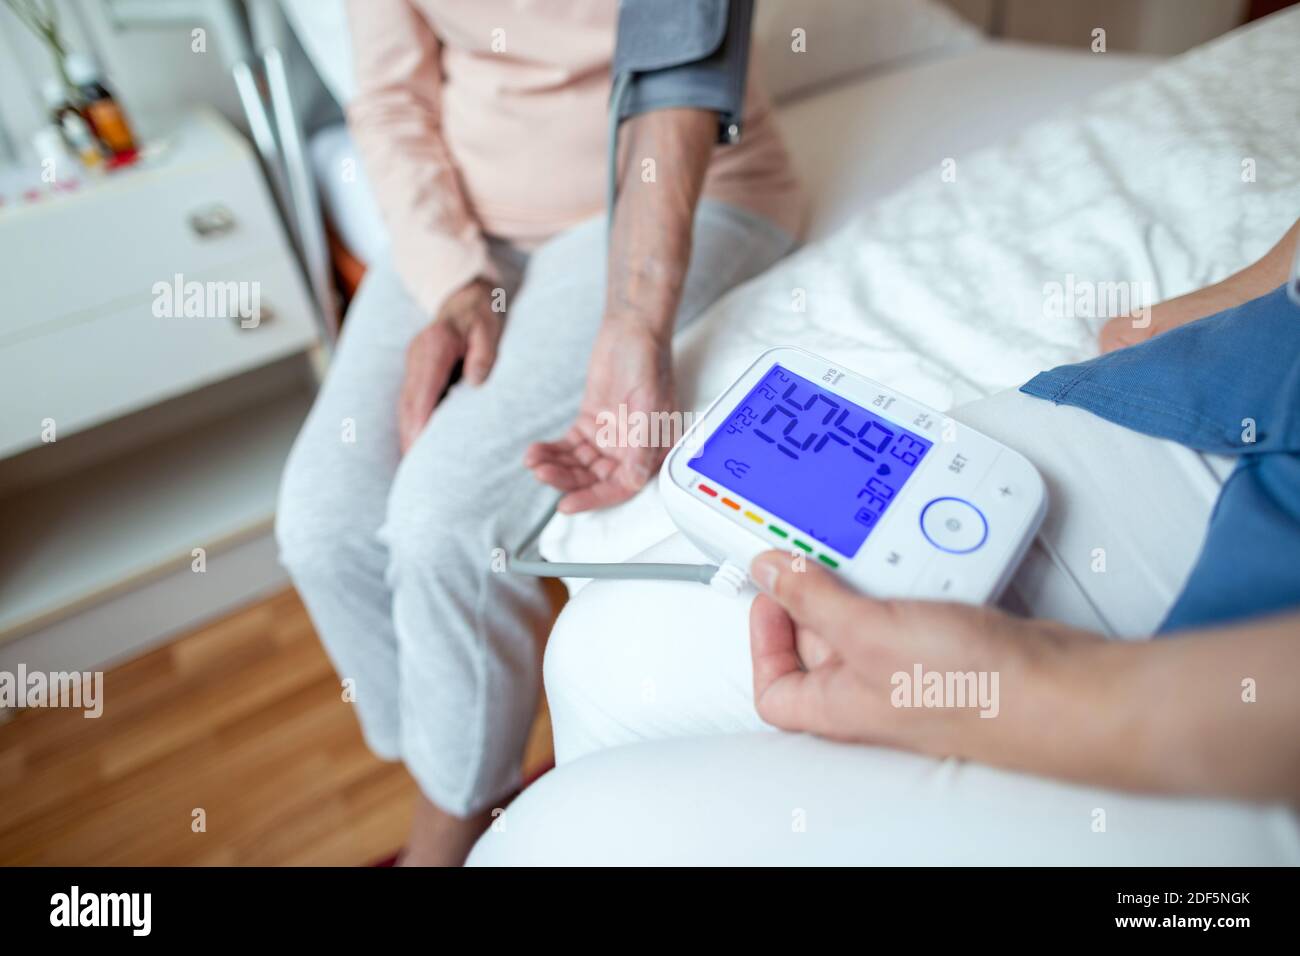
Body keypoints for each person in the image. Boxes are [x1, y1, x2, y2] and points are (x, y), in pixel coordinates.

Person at [468, 220, 1300, 865]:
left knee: (546, 844)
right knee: (595, 649)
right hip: (1217, 383)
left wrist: (1013, 688)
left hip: (1252, 714)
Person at [275, 0, 804, 865]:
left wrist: (634, 321)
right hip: (472, 225)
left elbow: (677, 64)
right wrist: (454, 278)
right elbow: (389, 99)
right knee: (320, 528)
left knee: (440, 520)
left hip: (680, 191)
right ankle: (462, 774)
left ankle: (446, 836)